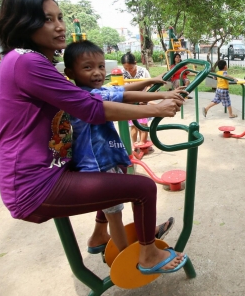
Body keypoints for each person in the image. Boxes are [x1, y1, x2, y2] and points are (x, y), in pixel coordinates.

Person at [0, 0, 187, 275]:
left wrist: (152, 97)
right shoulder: (28, 62)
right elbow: (91, 107)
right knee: (143, 188)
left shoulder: (26, 61)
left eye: (60, 17)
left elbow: (108, 94)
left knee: (111, 173)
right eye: (48, 20)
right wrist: (156, 109)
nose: (59, 26)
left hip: (43, 172)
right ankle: (147, 254)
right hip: (34, 185)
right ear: (24, 23)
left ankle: (100, 235)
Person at [63, 40, 186, 254]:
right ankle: (124, 254)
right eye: (87, 67)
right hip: (99, 164)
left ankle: (98, 238)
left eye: (101, 66)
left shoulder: (92, 91)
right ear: (70, 72)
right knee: (116, 211)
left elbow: (123, 89)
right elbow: (126, 96)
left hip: (103, 159)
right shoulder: (89, 96)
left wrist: (150, 81)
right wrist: (161, 97)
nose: (97, 73)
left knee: (112, 203)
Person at [121, 52, 152, 149]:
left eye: (130, 68)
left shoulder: (143, 71)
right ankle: (134, 144)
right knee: (132, 125)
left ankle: (143, 142)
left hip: (142, 101)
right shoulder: (122, 73)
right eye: (126, 68)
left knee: (143, 123)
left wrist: (145, 96)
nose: (128, 71)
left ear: (135, 63)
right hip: (130, 102)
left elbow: (150, 85)